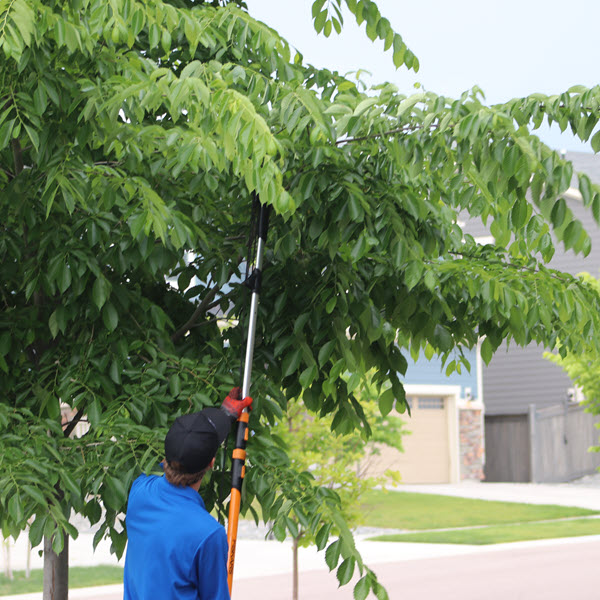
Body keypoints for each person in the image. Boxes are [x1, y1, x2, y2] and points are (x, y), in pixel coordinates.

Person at [123, 388, 253, 600]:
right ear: (211, 463)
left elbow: (175, 457)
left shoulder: (139, 492)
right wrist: (225, 415)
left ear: (166, 457)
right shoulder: (208, 534)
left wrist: (225, 413)